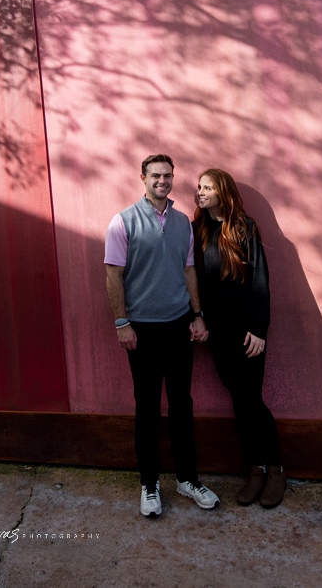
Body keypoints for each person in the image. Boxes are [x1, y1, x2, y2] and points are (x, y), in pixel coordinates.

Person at [104, 153, 220, 518]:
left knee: (182, 405)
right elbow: (112, 275)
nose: (162, 181)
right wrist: (122, 322)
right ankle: (149, 484)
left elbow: (189, 271)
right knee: (148, 408)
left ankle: (187, 479)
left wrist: (198, 315)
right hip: (141, 330)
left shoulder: (184, 222)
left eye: (168, 176)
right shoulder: (122, 222)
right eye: (155, 175)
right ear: (143, 178)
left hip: (178, 325)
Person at [193, 168, 285, 508]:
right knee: (239, 401)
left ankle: (274, 469)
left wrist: (260, 329)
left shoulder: (245, 228)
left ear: (223, 192)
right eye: (198, 187)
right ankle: (255, 468)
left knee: (252, 401)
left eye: (207, 187)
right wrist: (198, 319)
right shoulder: (197, 231)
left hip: (248, 333)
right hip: (217, 333)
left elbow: (260, 281)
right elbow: (194, 282)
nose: (200, 192)